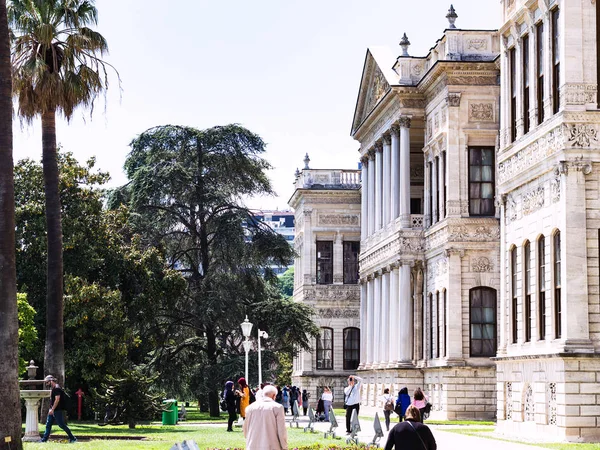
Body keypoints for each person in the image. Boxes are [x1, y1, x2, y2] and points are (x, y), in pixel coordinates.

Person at [243, 384, 288, 450]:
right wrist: (285, 447)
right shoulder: (277, 407)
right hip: (272, 446)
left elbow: (245, 430)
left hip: (252, 446)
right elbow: (282, 432)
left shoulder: (249, 408)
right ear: (274, 396)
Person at [40, 375, 77, 443]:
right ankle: (44, 440)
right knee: (48, 425)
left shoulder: (57, 388)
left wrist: (53, 409)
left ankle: (73, 438)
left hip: (57, 410)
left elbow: (57, 400)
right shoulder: (53, 388)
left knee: (61, 425)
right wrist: (51, 409)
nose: (47, 384)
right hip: (52, 410)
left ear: (51, 381)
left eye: (47, 382)